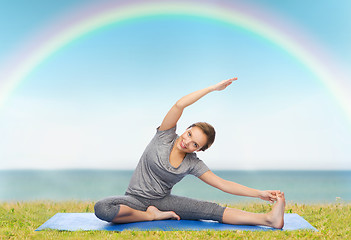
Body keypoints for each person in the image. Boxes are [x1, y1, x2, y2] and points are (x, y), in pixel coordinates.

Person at [94, 77, 285, 228]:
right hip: (133, 199)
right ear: (185, 128)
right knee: (102, 208)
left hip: (163, 201)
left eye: (194, 144)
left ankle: (269, 219)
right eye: (189, 134)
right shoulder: (164, 136)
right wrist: (212, 89)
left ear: (199, 150)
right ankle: (150, 216)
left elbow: (222, 184)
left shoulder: (192, 163)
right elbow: (179, 105)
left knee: (211, 210)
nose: (186, 142)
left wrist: (259, 193)